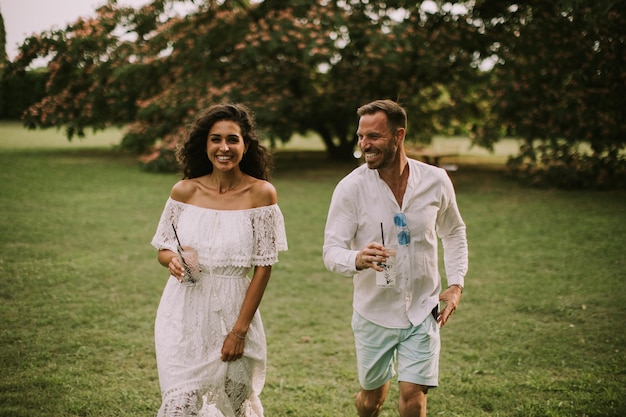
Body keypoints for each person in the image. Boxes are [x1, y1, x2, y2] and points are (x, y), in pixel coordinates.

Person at [322, 99, 468, 417]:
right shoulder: (350, 189)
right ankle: (366, 402)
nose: (364, 145)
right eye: (361, 137)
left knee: (413, 398)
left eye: (374, 137)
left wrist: (456, 283)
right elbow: (331, 252)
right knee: (371, 401)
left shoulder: (436, 180)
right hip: (374, 313)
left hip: (423, 310)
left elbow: (454, 231)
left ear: (398, 135)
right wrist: (357, 258)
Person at [150, 103, 288, 417]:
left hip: (234, 310)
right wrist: (172, 259)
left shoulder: (261, 194)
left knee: (236, 404)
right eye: (215, 139)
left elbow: (263, 269)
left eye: (232, 139)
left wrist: (239, 332)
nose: (223, 147)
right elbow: (163, 249)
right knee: (179, 406)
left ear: (245, 145)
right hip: (182, 314)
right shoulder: (183, 192)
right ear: (206, 144)